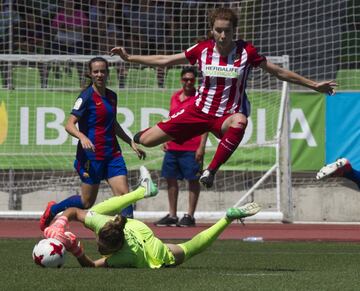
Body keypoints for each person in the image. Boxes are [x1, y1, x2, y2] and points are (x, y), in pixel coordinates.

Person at [110, 7, 337, 189]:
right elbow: (164, 60)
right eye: (219, 30)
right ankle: (136, 138)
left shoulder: (247, 52)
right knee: (146, 140)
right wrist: (129, 58)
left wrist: (314, 84)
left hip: (226, 117)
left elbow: (278, 71)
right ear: (212, 30)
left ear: (234, 31)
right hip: (198, 111)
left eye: (227, 30)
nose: (223, 35)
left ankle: (211, 171)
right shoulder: (202, 50)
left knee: (241, 120)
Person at [43, 166, 261, 268]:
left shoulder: (123, 258)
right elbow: (73, 212)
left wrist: (76, 249)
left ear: (115, 250)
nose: (99, 248)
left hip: (152, 253)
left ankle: (228, 218)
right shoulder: (107, 225)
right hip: (136, 229)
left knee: (191, 248)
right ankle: (143, 191)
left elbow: (91, 266)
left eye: (103, 248)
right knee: (97, 211)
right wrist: (60, 223)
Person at [39, 56, 146, 231]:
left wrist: (130, 143)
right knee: (86, 202)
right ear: (90, 74)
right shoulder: (86, 97)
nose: (99, 74)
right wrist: (82, 137)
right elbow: (69, 124)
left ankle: (130, 237)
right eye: (96, 71)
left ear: (107, 73)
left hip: (112, 155)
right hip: (91, 157)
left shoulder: (112, 96)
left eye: (103, 71)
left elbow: (113, 124)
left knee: (125, 197)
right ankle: (53, 209)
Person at [155, 67, 208, 227]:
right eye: (185, 79)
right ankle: (172, 215)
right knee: (170, 180)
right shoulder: (175, 97)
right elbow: (172, 120)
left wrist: (202, 146)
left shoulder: (200, 99)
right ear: (181, 80)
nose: (188, 82)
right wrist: (165, 138)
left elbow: (206, 124)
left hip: (192, 147)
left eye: (191, 79)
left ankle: (190, 215)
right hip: (173, 146)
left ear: (195, 81)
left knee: (192, 180)